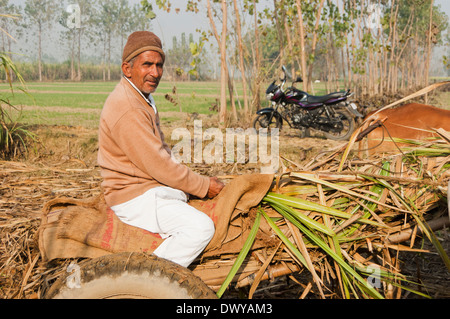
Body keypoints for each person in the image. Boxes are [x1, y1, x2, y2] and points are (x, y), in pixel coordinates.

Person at [97, 31, 224, 268]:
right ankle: (149, 281)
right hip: (135, 196)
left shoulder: (141, 97)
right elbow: (159, 164)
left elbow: (162, 150)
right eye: (147, 64)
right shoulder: (128, 108)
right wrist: (204, 186)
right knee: (200, 228)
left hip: (146, 187)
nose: (155, 73)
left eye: (159, 65)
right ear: (127, 68)